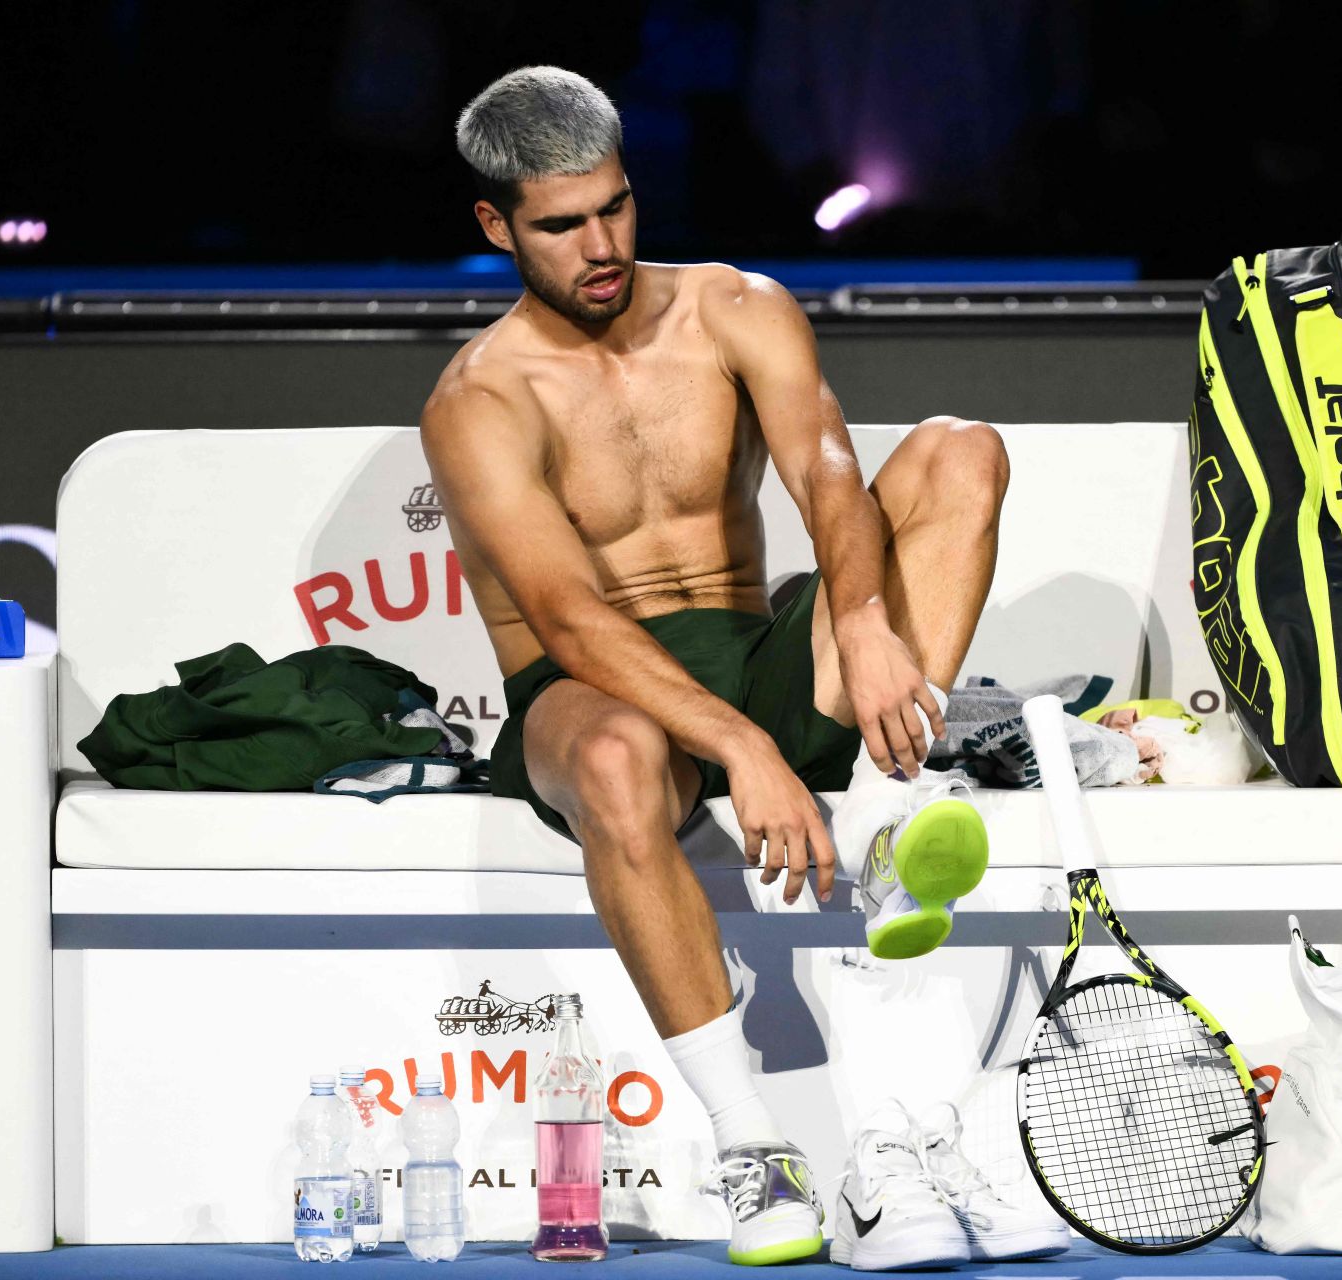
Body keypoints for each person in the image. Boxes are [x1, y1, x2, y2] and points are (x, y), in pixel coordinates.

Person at [422, 66, 1008, 1267]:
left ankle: (885, 823)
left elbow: (830, 475)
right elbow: (571, 620)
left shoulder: (736, 305)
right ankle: (754, 1147)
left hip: (754, 648)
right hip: (594, 687)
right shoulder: (480, 398)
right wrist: (742, 749)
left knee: (961, 450)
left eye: (616, 207)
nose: (602, 246)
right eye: (562, 224)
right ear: (495, 224)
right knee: (617, 755)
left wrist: (863, 619)